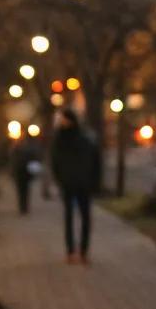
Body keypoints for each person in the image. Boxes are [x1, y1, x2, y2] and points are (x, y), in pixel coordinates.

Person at [50, 108, 101, 263]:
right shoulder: (60, 140)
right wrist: (60, 179)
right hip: (70, 184)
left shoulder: (84, 139)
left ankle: (82, 251)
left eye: (64, 119)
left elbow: (95, 162)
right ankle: (71, 251)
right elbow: (55, 162)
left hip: (82, 184)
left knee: (84, 217)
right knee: (70, 217)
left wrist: (94, 181)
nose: (62, 122)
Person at [9, 133, 42, 215]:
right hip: (22, 171)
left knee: (23, 190)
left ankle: (23, 207)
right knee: (24, 190)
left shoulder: (19, 147)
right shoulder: (24, 147)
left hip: (23, 171)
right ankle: (23, 207)